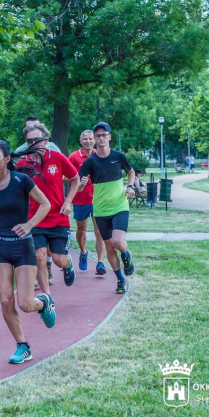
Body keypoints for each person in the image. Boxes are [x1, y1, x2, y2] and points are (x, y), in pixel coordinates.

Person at [0, 140, 56, 364]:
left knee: (26, 304)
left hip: (23, 247)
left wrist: (29, 225)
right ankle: (23, 346)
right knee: (6, 300)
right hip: (0, 246)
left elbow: (45, 204)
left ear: (7, 159)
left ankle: (43, 303)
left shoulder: (21, 181)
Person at [17, 122, 80, 300]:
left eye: (37, 140)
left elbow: (75, 179)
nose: (33, 144)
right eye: (29, 141)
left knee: (59, 258)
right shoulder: (23, 164)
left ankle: (68, 265)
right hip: (35, 219)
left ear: (46, 139)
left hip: (58, 218)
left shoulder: (58, 158)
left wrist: (68, 202)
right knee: (39, 256)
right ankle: (47, 297)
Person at [77, 122, 136, 295]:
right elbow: (78, 186)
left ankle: (126, 254)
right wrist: (82, 184)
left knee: (118, 242)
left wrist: (131, 187)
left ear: (109, 137)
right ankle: (120, 279)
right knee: (109, 248)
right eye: (98, 136)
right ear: (95, 140)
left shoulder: (119, 156)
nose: (101, 138)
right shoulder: (90, 162)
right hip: (101, 211)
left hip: (119, 206)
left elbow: (131, 172)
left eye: (104, 135)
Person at [15, 117, 57, 284]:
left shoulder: (53, 148)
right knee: (34, 242)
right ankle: (38, 274)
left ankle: (48, 267)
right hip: (30, 203)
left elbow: (61, 171)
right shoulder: (21, 151)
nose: (33, 140)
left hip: (51, 203)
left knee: (48, 246)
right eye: (28, 130)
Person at [68, 130, 107, 274]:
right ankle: (83, 252)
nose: (88, 141)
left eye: (91, 139)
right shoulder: (73, 157)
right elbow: (66, 177)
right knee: (81, 230)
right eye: (85, 139)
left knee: (99, 231)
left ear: (95, 140)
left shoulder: (100, 155)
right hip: (80, 199)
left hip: (98, 199)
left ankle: (100, 262)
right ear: (81, 141)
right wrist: (79, 181)